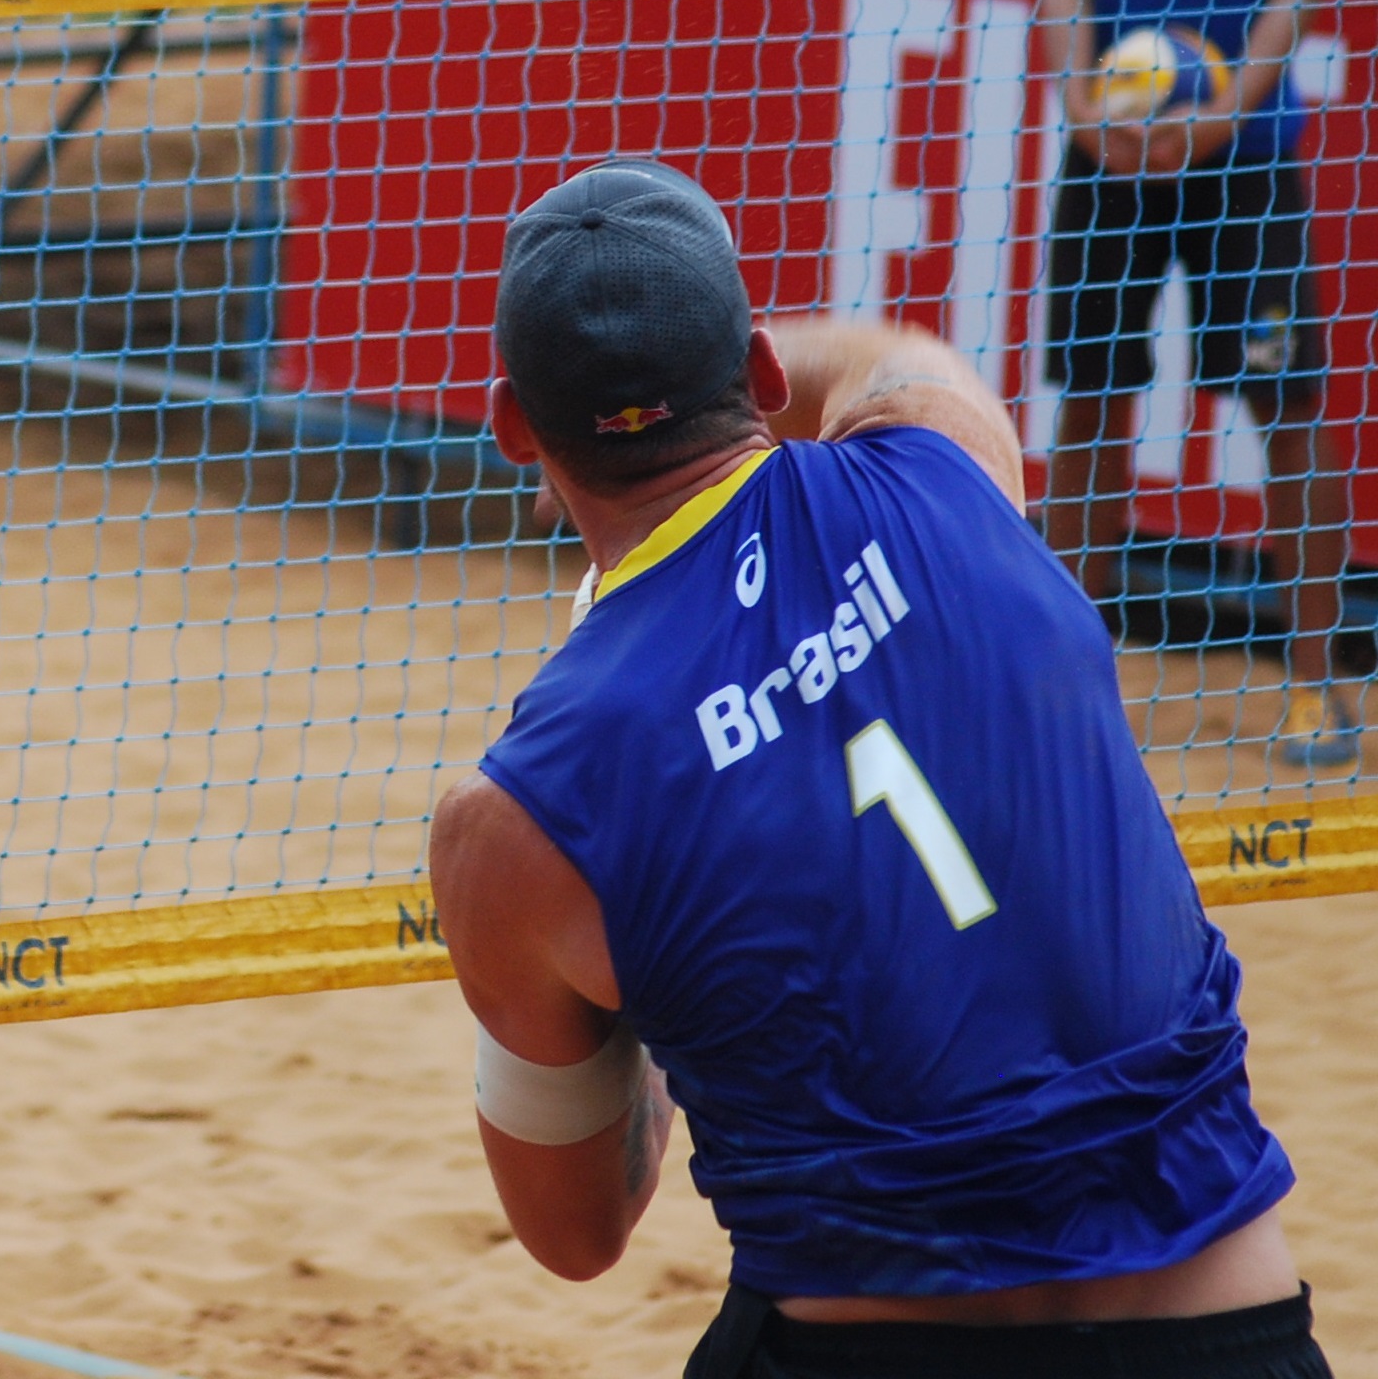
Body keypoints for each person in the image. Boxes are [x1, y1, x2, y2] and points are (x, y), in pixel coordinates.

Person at [430, 159, 1317, 1379]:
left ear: (514, 426)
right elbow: (880, 356)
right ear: (755, 372)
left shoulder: (512, 822)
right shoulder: (950, 471)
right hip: (1226, 1334)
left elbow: (575, 1234)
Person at [1035, 0, 1362, 767]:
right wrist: (1079, 96)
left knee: (1285, 412)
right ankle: (1063, 695)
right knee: (1090, 408)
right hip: (1114, 148)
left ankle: (1318, 687)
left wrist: (1233, 101)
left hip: (1243, 155)